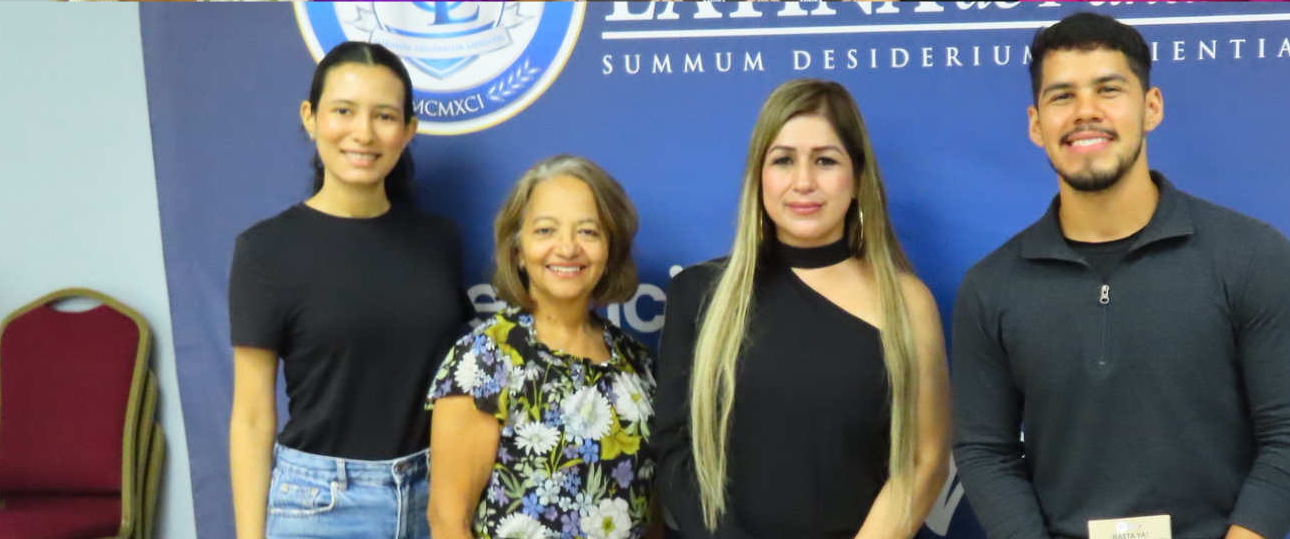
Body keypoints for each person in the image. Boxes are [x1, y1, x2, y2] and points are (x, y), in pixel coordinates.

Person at [952, 12, 1290, 539]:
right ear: (1036, 124)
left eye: (1109, 90)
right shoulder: (991, 286)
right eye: (1062, 96)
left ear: (1150, 108)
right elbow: (985, 451)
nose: (1086, 112)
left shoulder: (1252, 256)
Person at [655, 80, 951, 539]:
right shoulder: (698, 295)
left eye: (826, 160)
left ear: (857, 177)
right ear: (759, 176)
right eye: (784, 160)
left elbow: (925, 461)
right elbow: (676, 455)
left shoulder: (908, 302)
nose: (804, 182)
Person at [230, 42, 471, 539]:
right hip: (322, 505)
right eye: (343, 111)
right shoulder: (265, 249)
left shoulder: (439, 240)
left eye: (384, 116)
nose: (363, 133)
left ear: (408, 130)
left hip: (436, 498)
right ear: (311, 117)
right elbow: (253, 417)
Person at [427, 156, 655, 539]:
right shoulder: (486, 360)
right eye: (546, 230)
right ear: (517, 250)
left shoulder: (638, 362)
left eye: (588, 232)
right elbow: (448, 522)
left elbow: (649, 508)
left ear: (610, 250)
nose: (567, 248)